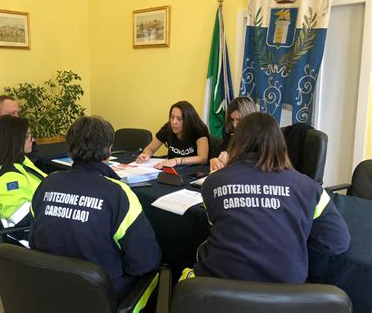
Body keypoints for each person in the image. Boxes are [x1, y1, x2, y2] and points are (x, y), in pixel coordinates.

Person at [193, 112, 350, 283]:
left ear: (237, 142)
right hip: (287, 297)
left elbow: (217, 226)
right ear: (280, 143)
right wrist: (296, 249)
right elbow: (337, 241)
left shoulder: (213, 182)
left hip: (217, 293)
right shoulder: (309, 188)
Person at [29, 116, 161, 300]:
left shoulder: (47, 183)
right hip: (101, 297)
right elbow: (144, 261)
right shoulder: (119, 193)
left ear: (70, 147)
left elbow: (34, 241)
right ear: (109, 150)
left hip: (50, 288)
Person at [0, 116, 46, 241]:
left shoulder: (20, 162)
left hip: (44, 225)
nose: (32, 140)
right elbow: (24, 221)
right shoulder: (6, 180)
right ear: (13, 140)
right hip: (33, 239)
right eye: (28, 135)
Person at [137, 101, 209, 169]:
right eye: (172, 117)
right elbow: (150, 148)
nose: (174, 122)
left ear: (188, 120)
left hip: (192, 172)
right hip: (171, 170)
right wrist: (146, 155)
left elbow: (203, 158)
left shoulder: (198, 130)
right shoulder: (168, 128)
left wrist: (177, 161)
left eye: (179, 118)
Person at [210, 96, 256, 171]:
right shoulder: (231, 134)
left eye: (238, 120)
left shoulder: (259, 138)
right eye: (232, 120)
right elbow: (219, 154)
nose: (234, 125)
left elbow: (256, 164)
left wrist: (231, 160)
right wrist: (214, 160)